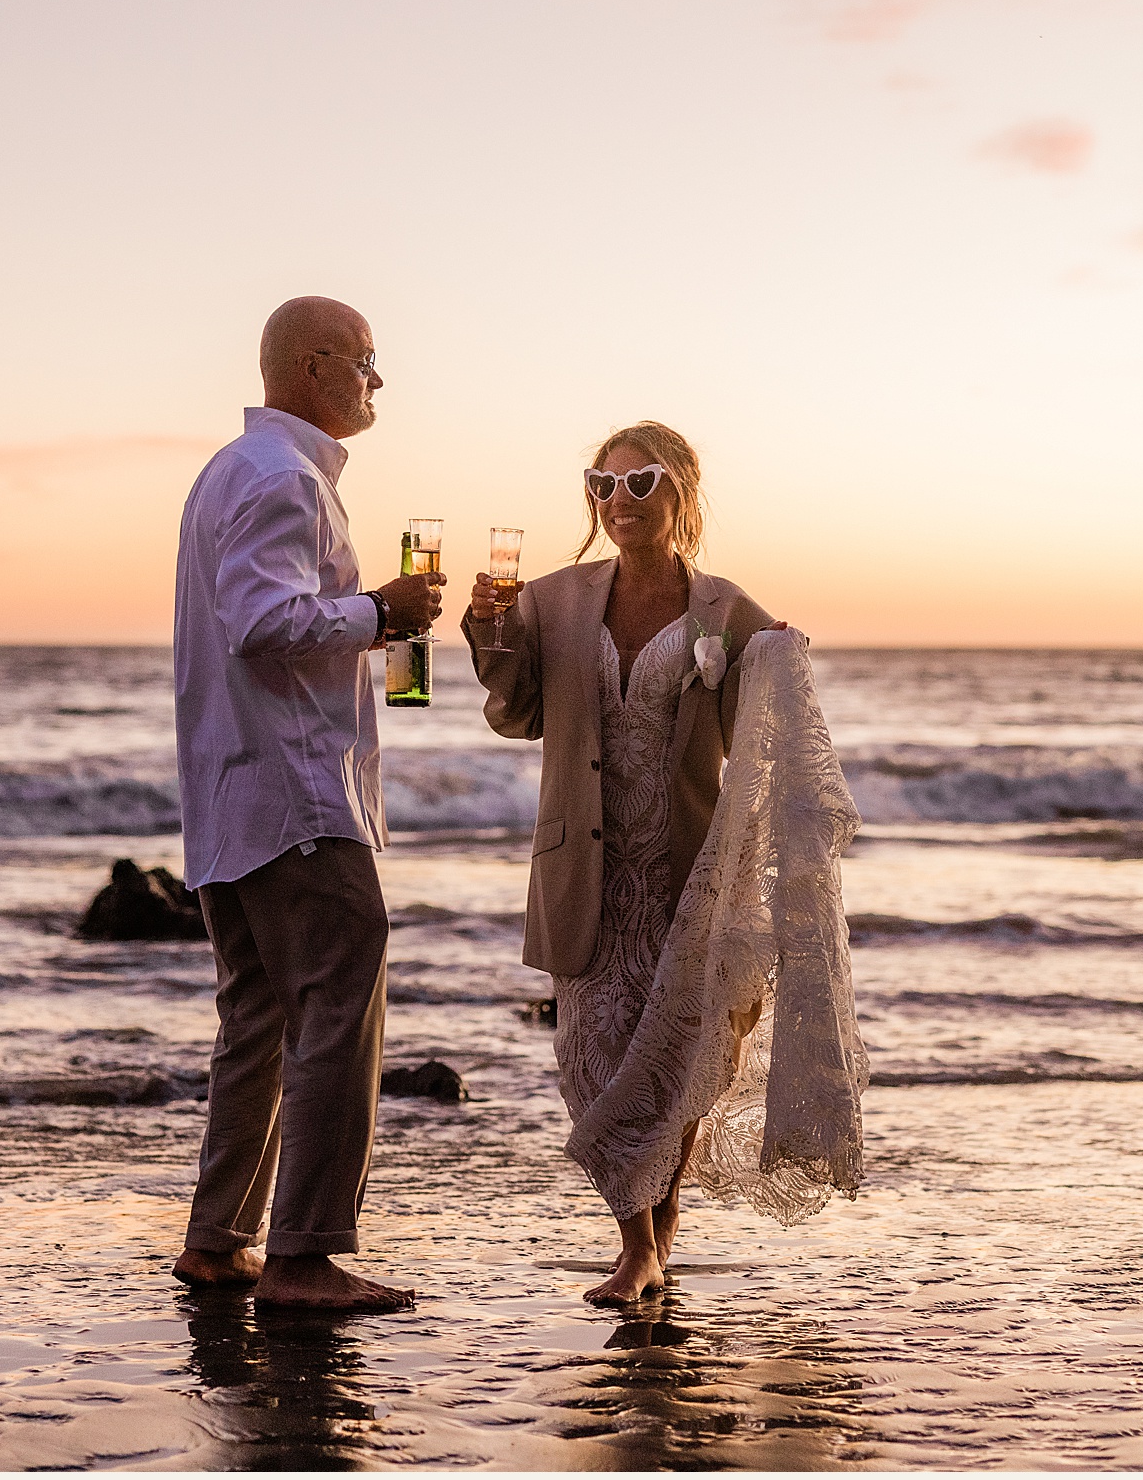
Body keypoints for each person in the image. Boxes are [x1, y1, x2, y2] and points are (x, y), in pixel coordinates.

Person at [463, 421, 863, 1306]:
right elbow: (516, 710)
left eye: (639, 483)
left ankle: (653, 1240)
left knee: (678, 1062)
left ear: (681, 488)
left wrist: (782, 656)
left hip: (685, 870)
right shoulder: (554, 600)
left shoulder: (724, 610)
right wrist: (486, 633)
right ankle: (636, 1241)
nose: (618, 503)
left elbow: (773, 697)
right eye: (601, 486)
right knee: (588, 1057)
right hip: (585, 873)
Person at [167, 295, 443, 1312]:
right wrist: (384, 612)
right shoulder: (283, 476)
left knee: (260, 1012)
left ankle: (219, 1237)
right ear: (316, 365)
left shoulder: (231, 471)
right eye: (370, 361)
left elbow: (254, 616)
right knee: (337, 999)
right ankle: (305, 1252)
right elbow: (261, 619)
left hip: (232, 790)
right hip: (292, 795)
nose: (378, 381)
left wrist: (371, 620)